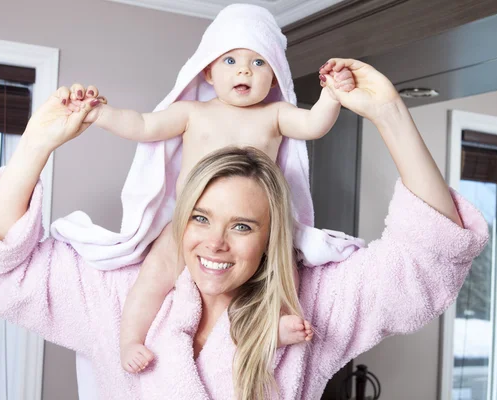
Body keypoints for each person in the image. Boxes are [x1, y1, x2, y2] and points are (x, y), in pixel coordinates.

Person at [0, 58, 488, 399]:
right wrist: (36, 146)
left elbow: (427, 260)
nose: (214, 242)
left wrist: (391, 115)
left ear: (271, 237)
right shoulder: (119, 297)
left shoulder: (313, 305)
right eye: (200, 217)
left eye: (243, 225)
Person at [60, 4, 356, 373]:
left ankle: (274, 324)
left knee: (283, 269)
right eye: (230, 60)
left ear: (276, 77)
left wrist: (332, 94)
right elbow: (142, 125)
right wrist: (99, 114)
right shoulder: (192, 112)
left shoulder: (274, 116)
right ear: (209, 73)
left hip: (249, 225)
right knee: (154, 274)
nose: (245, 69)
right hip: (190, 222)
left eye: (259, 62)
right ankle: (129, 338)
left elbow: (314, 125)